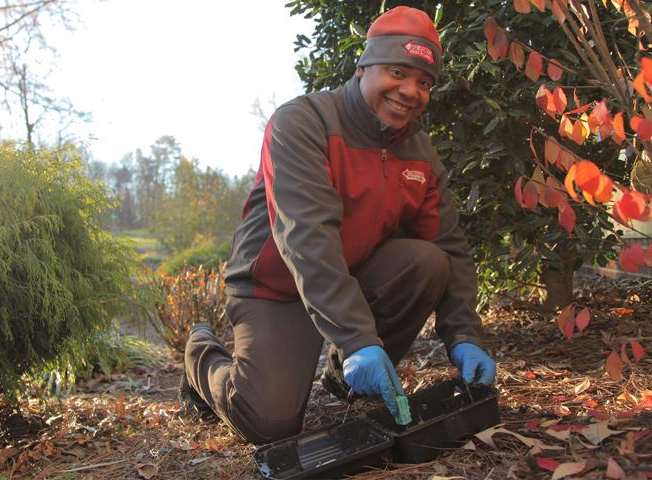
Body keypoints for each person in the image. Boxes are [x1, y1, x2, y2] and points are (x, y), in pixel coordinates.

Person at [179, 5, 496, 444]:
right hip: (276, 288)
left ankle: (345, 378)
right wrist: (356, 338)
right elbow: (307, 236)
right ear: (363, 66)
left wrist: (463, 333)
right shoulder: (302, 123)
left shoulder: (420, 152)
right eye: (397, 72)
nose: (411, 91)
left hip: (349, 275)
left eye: (424, 82)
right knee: (269, 423)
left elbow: (450, 245)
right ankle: (200, 354)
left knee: (429, 261)